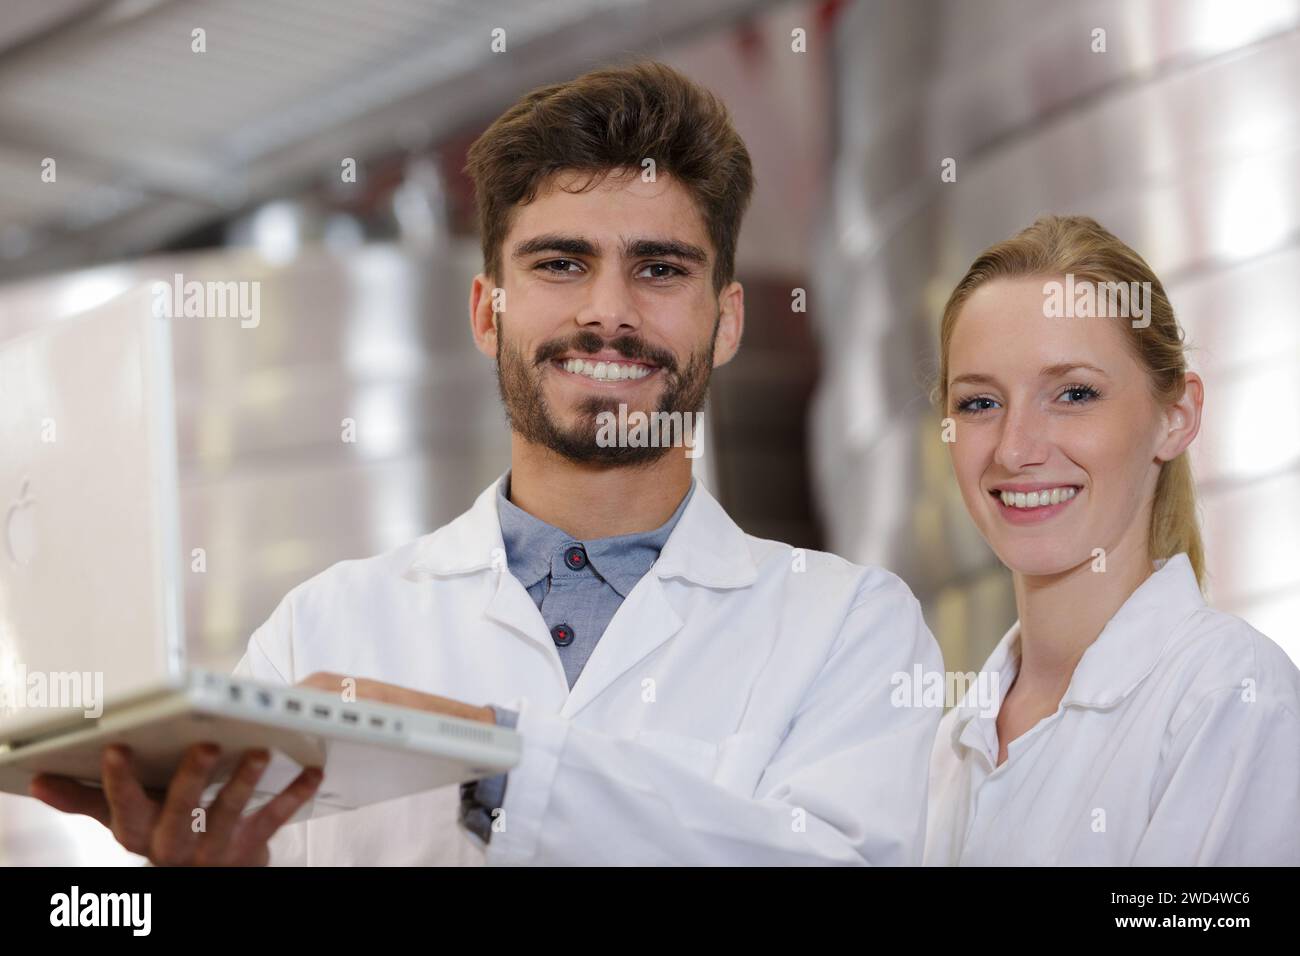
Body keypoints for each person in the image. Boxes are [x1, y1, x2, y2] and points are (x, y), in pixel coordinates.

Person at [32, 60, 942, 866]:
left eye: (660, 269)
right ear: (485, 311)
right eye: (560, 263)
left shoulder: (847, 630)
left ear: (729, 319)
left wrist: (489, 755)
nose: (608, 313)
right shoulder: (327, 630)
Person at [925, 214, 1300, 865]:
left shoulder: (1230, 697)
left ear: (1175, 420)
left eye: (1073, 393)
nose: (1015, 450)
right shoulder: (949, 748)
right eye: (980, 403)